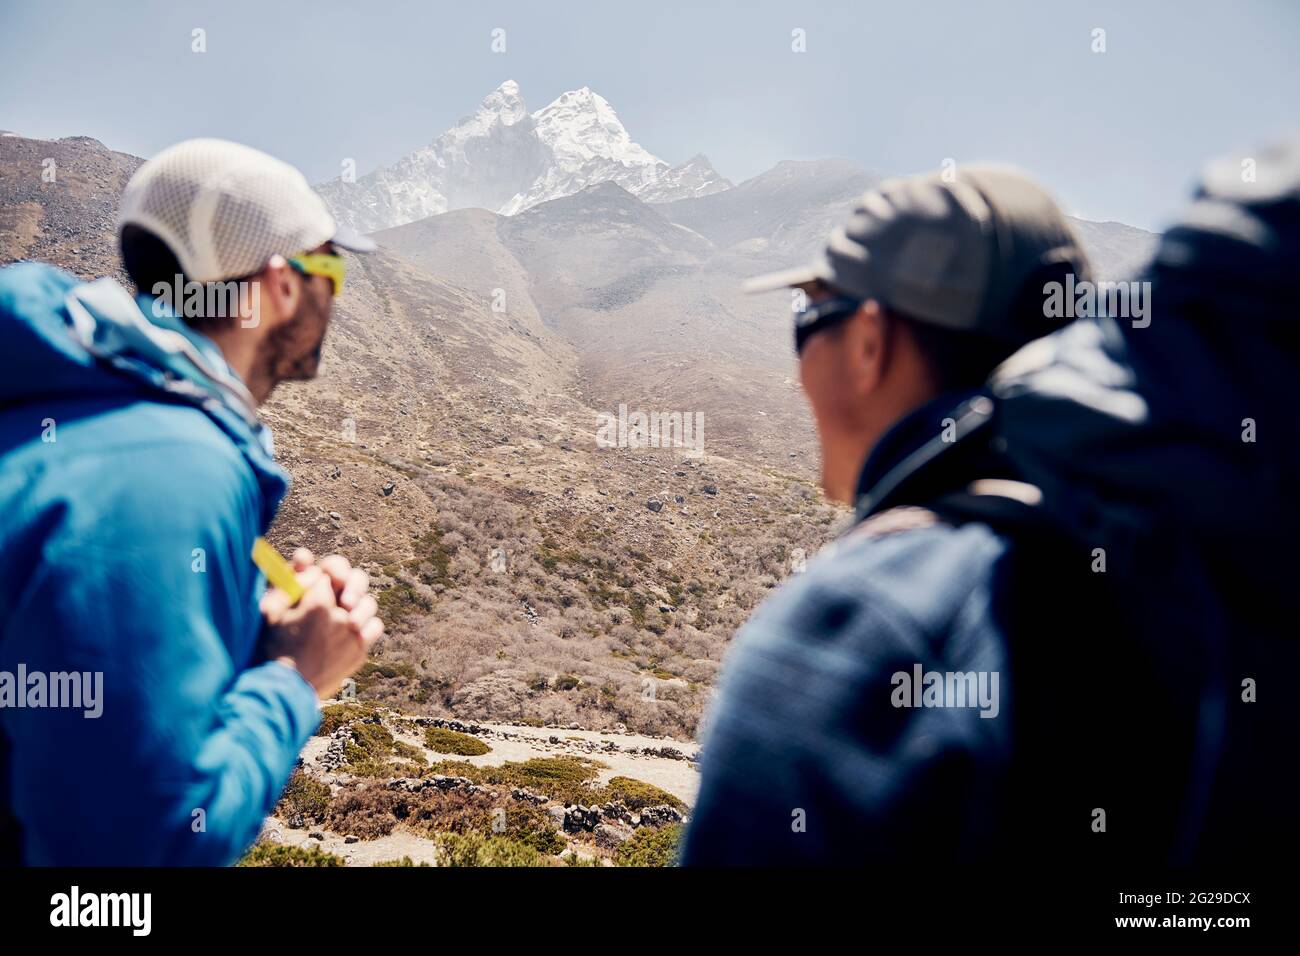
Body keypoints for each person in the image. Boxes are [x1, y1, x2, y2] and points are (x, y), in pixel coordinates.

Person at [680, 167, 1098, 864]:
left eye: (807, 321)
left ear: (871, 342)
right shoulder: (1176, 567)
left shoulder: (858, 621)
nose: (795, 374)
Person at [0, 139, 384, 865]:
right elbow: (131, 859)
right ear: (280, 284)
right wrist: (297, 677)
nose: (336, 292)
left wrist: (253, 642)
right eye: (328, 267)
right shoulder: (168, 468)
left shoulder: (65, 413)